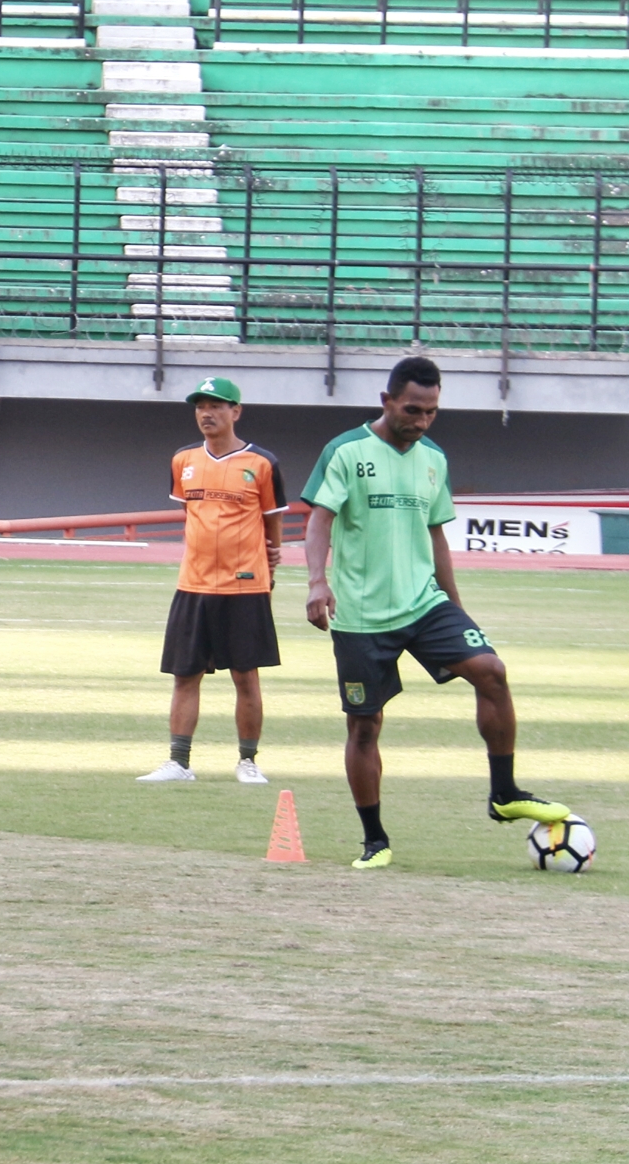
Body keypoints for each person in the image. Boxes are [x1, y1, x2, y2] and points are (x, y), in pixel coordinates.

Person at [301, 355, 569, 870]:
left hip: (426, 605)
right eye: (412, 410)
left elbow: (436, 533)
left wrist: (458, 609)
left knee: (491, 671)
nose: (420, 421)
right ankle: (375, 840)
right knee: (364, 727)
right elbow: (319, 520)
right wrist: (318, 581)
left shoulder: (433, 458)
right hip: (362, 616)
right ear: (387, 402)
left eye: (431, 412)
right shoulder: (345, 451)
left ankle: (504, 792)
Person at [139, 377, 285, 785]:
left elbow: (274, 520)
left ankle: (248, 761)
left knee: (246, 676)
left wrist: (270, 561)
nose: (207, 413)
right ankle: (179, 762)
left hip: (244, 586)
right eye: (201, 406)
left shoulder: (262, 463)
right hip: (194, 584)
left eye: (217, 405)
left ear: (235, 411)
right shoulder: (182, 460)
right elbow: (192, 516)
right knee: (185, 674)